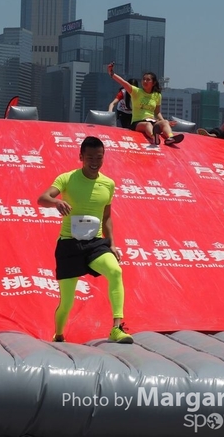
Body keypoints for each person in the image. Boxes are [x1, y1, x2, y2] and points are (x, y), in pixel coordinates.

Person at [37, 136, 133, 344]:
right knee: (67, 302)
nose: (95, 162)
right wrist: (56, 202)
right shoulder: (67, 178)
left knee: (115, 271)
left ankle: (117, 328)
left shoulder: (108, 184)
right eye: (90, 157)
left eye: (99, 157)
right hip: (69, 245)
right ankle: (59, 334)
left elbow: (107, 216)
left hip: (95, 243)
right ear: (81, 157)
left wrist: (112, 244)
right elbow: (42, 199)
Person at [107, 62, 184, 146]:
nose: (145, 81)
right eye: (143, 79)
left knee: (165, 122)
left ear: (153, 83)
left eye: (148, 80)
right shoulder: (136, 92)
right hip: (138, 122)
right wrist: (112, 73)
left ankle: (170, 138)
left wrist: (163, 121)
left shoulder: (157, 95)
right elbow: (123, 82)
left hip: (152, 120)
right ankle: (154, 137)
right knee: (148, 124)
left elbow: (157, 112)